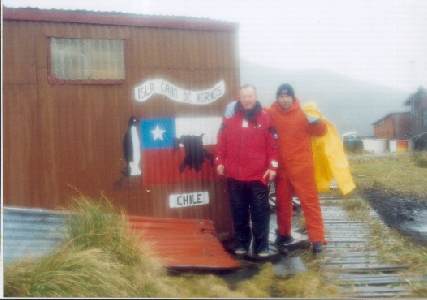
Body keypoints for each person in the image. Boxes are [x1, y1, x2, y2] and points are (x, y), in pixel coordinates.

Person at [215, 84, 278, 258]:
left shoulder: (266, 118)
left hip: (259, 176)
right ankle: (242, 243)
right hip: (235, 176)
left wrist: (273, 167)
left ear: (255, 97)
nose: (247, 100)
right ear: (240, 98)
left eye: (250, 96)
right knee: (239, 211)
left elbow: (273, 146)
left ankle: (261, 246)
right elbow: (221, 142)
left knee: (260, 212)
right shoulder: (229, 118)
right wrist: (219, 161)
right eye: (244, 97)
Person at [268, 83, 327, 254]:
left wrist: (317, 122)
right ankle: (284, 234)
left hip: (302, 168)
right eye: (281, 96)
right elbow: (256, 113)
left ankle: (317, 239)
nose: (284, 99)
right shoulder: (271, 113)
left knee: (310, 203)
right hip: (282, 169)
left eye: (287, 96)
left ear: (292, 98)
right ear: (277, 98)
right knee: (282, 203)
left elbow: (321, 132)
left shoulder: (303, 114)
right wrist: (236, 109)